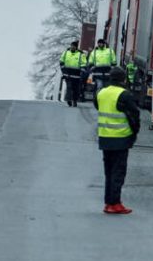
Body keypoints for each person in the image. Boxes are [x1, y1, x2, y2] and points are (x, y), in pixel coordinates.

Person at [96, 66, 140, 214]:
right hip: (120, 139)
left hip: (104, 138)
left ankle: (108, 203)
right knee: (118, 172)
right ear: (123, 79)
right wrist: (134, 133)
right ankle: (115, 203)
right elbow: (134, 115)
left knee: (108, 173)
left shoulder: (101, 93)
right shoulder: (124, 95)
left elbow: (98, 107)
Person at [59, 41, 86, 107]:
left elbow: (83, 63)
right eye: (71, 46)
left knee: (75, 89)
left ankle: (74, 100)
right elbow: (61, 62)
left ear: (76, 47)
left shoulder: (81, 54)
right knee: (69, 87)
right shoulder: (66, 53)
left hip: (77, 75)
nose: (72, 47)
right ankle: (69, 100)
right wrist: (63, 71)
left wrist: (82, 72)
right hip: (67, 74)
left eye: (74, 46)